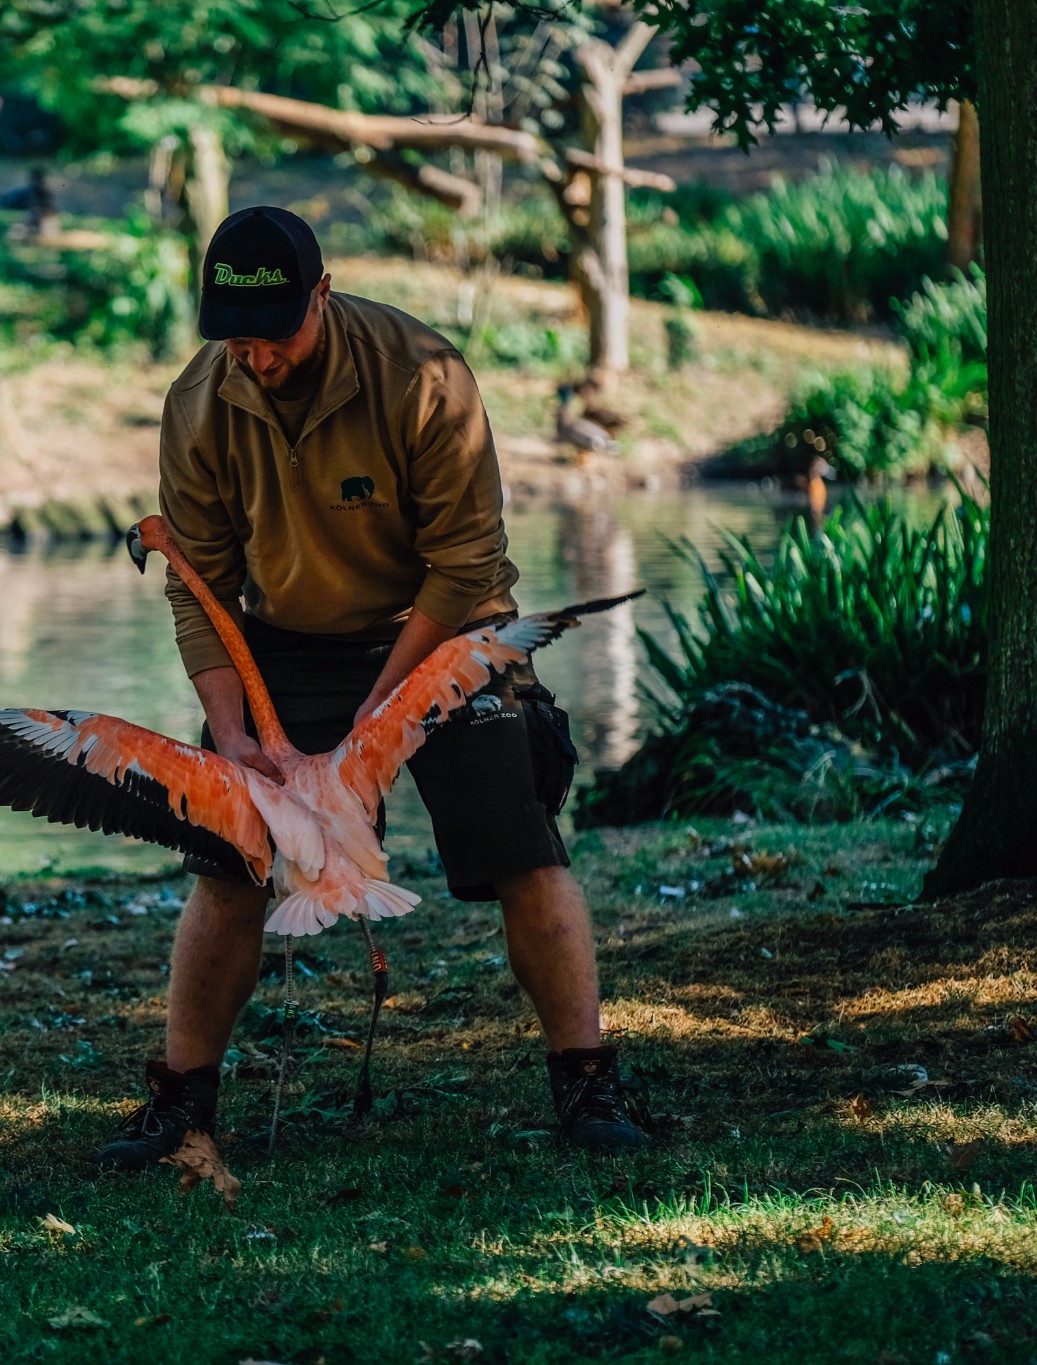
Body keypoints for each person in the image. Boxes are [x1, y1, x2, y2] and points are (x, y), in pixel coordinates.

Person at [98, 206, 647, 1170]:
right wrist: (230, 733)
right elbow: (200, 590)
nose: (257, 357)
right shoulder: (198, 405)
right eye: (237, 338)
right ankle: (181, 1100)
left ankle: (589, 1082)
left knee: (520, 840)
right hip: (285, 641)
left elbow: (468, 562)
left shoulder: (423, 377)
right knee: (229, 862)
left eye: (277, 335)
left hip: (442, 629)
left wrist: (380, 709)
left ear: (324, 293)